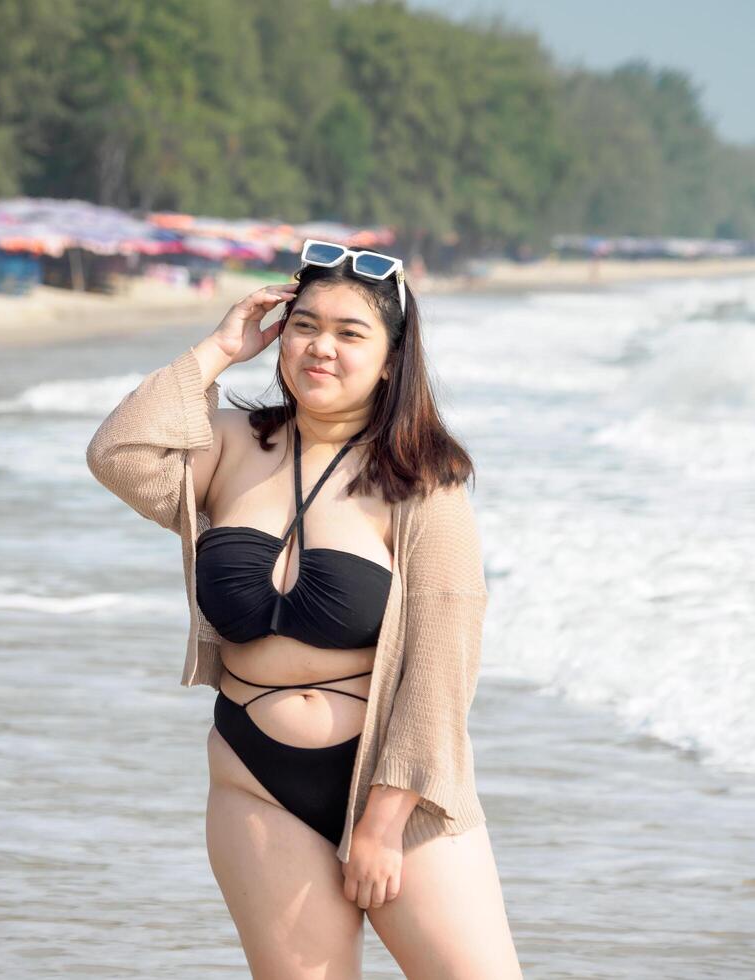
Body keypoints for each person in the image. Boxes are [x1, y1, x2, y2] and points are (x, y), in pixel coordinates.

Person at [86, 240, 523, 978]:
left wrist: (381, 825)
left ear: (390, 359)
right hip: (253, 782)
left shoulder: (422, 481)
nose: (320, 347)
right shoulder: (229, 446)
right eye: (304, 325)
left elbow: (442, 666)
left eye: (350, 333)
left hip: (397, 791)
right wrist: (218, 350)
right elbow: (119, 453)